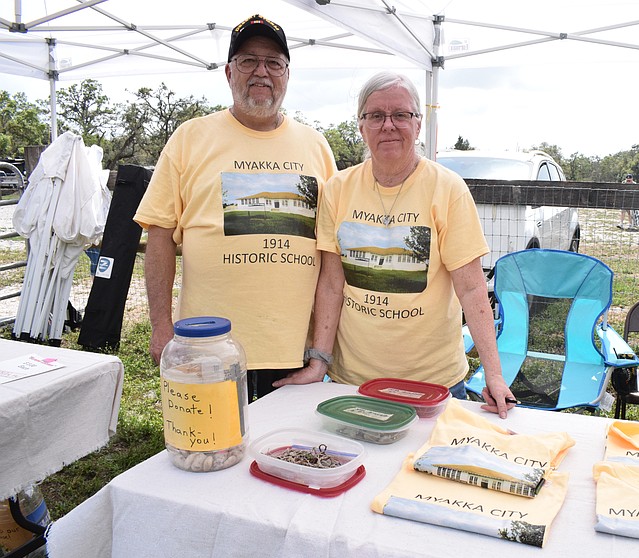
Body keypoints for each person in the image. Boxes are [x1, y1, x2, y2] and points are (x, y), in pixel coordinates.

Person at [274, 71, 516, 419]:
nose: (388, 125)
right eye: (376, 115)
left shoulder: (447, 189)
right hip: (352, 381)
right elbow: (330, 285)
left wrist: (494, 375)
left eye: (400, 114)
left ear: (418, 125)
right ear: (362, 126)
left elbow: (471, 288)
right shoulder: (338, 189)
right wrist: (318, 362)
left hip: (434, 384)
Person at [133, 14, 337, 401]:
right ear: (229, 72)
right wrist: (161, 327)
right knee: (212, 437)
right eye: (248, 61)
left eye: (273, 63)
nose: (261, 72)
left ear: (287, 75)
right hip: (208, 345)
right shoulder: (189, 138)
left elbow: (331, 253)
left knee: (285, 439)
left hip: (293, 350)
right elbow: (159, 236)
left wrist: (323, 349)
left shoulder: (316, 146)